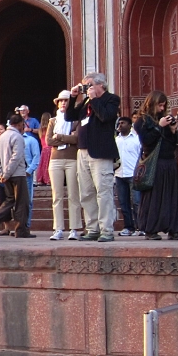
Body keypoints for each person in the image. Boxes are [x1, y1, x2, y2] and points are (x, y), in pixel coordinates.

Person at [65, 72, 121, 242]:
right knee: (86, 192)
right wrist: (73, 98)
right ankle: (92, 228)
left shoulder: (111, 99)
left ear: (100, 85)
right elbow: (69, 117)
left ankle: (106, 230)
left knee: (103, 192)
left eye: (89, 85)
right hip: (83, 151)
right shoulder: (86, 102)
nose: (86, 89)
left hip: (101, 152)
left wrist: (95, 99)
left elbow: (105, 116)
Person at [134, 91, 178, 240]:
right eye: (159, 105)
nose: (162, 109)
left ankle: (173, 228)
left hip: (169, 161)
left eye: (164, 105)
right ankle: (151, 229)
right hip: (154, 163)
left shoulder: (164, 119)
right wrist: (159, 127)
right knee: (154, 197)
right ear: (152, 104)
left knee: (172, 196)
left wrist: (173, 130)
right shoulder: (141, 121)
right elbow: (147, 141)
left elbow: (174, 142)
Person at [0, 114, 35, 238]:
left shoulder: (1, 138)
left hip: (5, 175)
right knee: (22, 202)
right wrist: (7, 173)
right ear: (19, 124)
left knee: (10, 200)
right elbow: (16, 157)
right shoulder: (17, 137)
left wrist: (1, 173)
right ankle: (21, 230)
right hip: (17, 174)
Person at [47, 92, 82, 241]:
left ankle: (74, 228)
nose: (63, 103)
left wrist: (60, 137)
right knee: (57, 196)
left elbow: (77, 139)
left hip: (72, 159)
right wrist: (68, 139)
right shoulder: (53, 121)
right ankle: (58, 228)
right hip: (55, 159)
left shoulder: (76, 120)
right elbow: (49, 140)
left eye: (66, 101)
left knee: (73, 194)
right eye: (60, 101)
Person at [114, 116, 142, 237]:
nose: (120, 125)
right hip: (119, 174)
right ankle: (128, 227)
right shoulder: (116, 140)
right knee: (123, 203)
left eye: (123, 123)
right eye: (119, 123)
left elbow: (141, 156)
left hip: (133, 174)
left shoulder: (136, 139)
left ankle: (141, 226)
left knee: (137, 202)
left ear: (130, 125)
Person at [22, 120, 41, 229]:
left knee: (28, 200)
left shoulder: (31, 140)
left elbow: (36, 157)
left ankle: (26, 225)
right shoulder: (11, 138)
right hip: (13, 173)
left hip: (26, 172)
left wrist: (29, 171)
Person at [36, 112, 52, 186]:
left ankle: (41, 180)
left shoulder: (40, 129)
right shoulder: (50, 128)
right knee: (48, 165)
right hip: (50, 148)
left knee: (43, 165)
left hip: (43, 149)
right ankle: (48, 180)